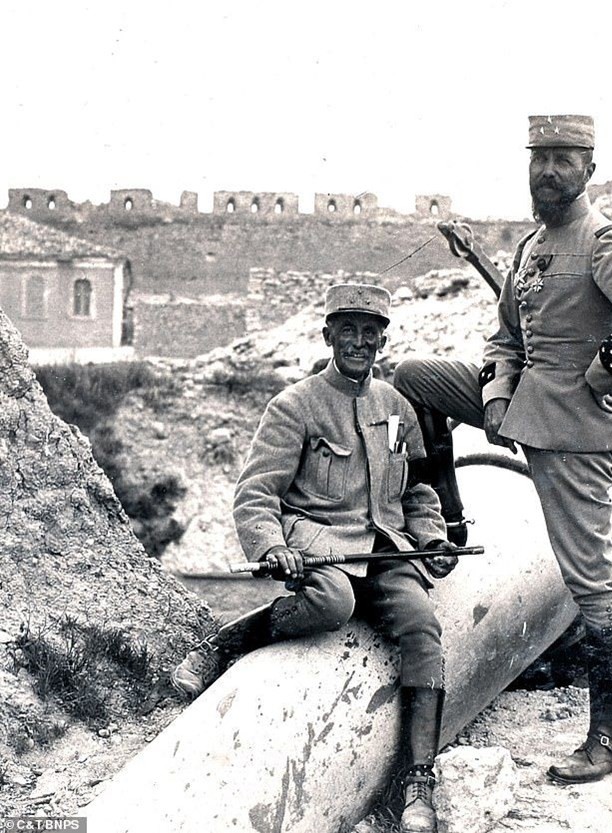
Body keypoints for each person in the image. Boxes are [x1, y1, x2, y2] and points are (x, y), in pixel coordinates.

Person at [394, 114, 612, 785]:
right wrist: (494, 398)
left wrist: (601, 376)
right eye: (539, 158)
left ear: (589, 167)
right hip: (521, 403)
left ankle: (608, 741)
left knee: (591, 579)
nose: (548, 171)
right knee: (413, 378)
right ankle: (445, 522)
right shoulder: (530, 246)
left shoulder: (602, 239)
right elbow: (504, 338)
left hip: (575, 430)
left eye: (563, 159)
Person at [171, 283, 459, 833]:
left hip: (384, 547)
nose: (359, 342)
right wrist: (273, 545)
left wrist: (431, 538)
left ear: (382, 340)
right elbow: (256, 494)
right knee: (333, 601)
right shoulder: (295, 405)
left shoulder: (396, 405)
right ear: (328, 335)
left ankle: (418, 781)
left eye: (370, 332)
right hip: (317, 539)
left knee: (423, 624)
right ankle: (230, 643)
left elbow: (417, 493)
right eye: (347, 330)